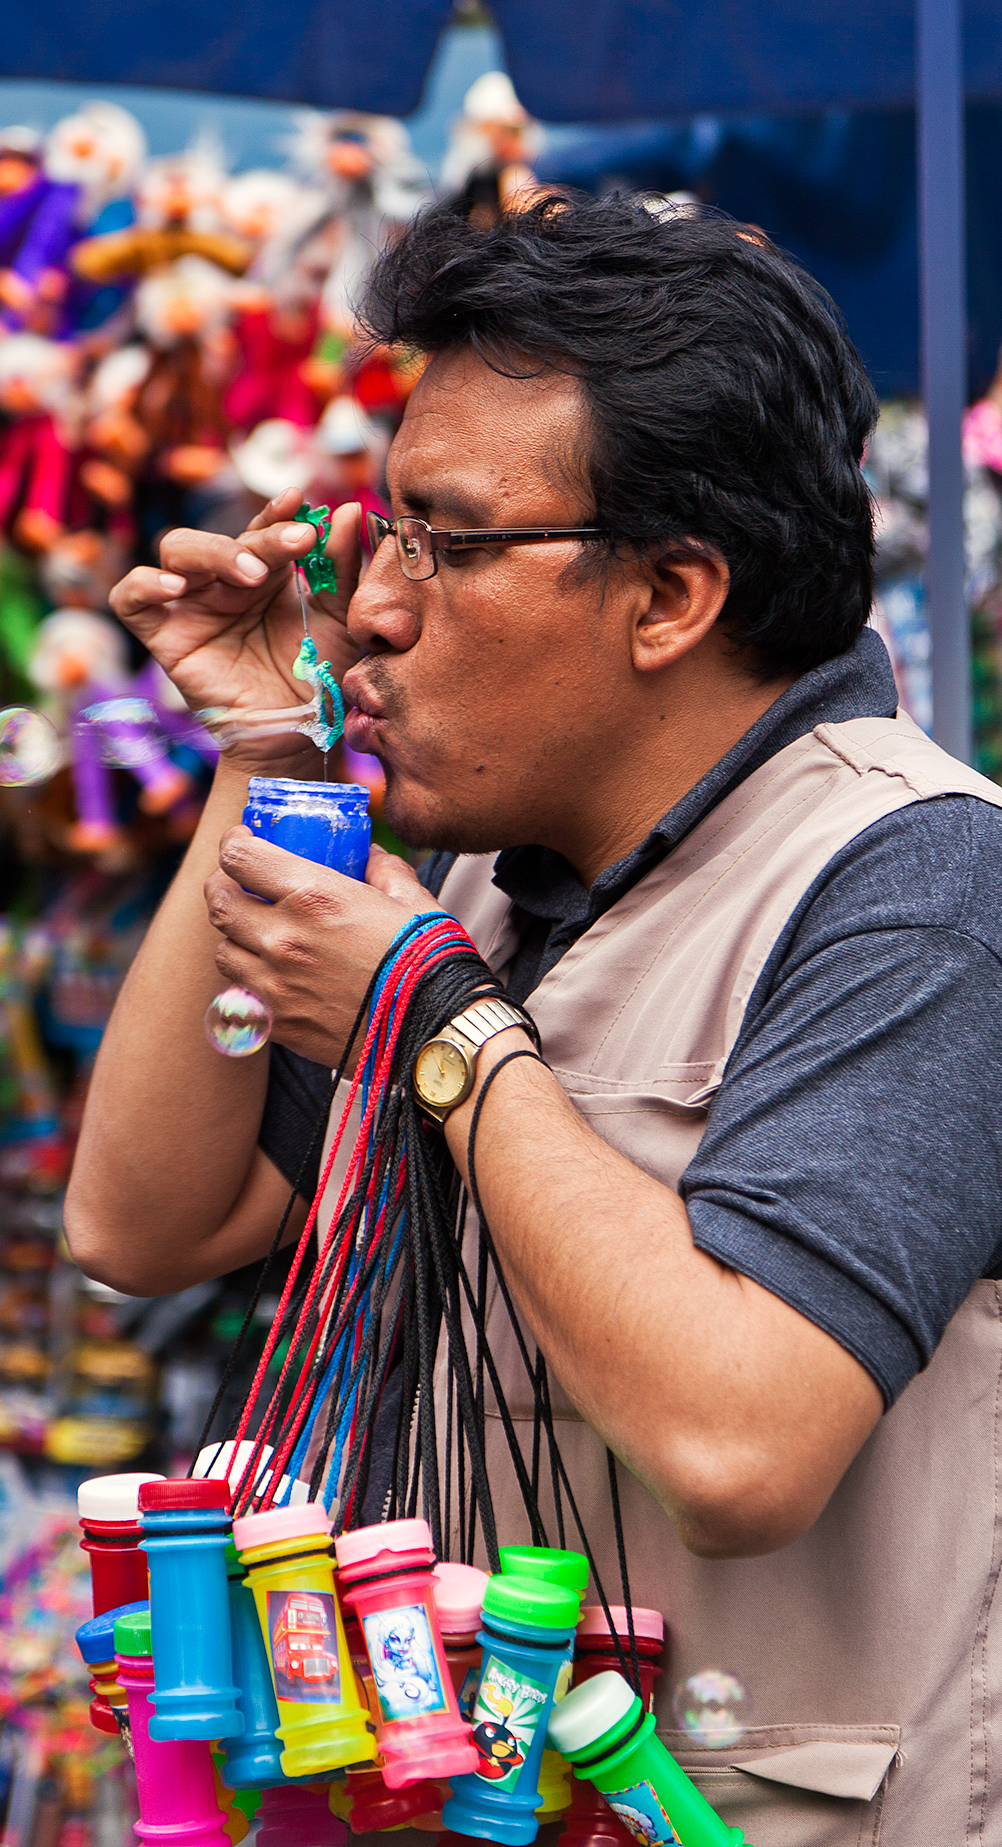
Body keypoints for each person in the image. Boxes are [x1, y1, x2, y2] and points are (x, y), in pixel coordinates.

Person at [66, 192, 1002, 1846]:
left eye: (450, 538)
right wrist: (267, 755)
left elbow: (741, 1437)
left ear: (670, 595)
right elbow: (147, 1218)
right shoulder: (493, 875)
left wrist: (434, 1014)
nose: (378, 607)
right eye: (385, 532)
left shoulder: (920, 879)